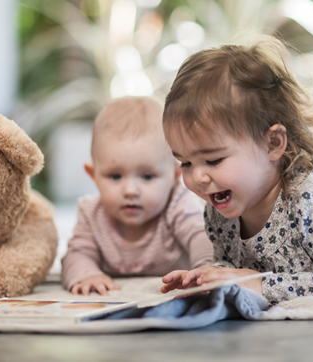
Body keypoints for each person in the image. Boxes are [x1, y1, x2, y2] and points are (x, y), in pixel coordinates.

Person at [160, 35, 313, 304]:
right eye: (186, 163)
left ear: (273, 143)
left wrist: (262, 284)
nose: (198, 177)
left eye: (213, 160)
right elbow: (231, 265)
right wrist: (209, 277)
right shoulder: (219, 212)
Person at [61, 96, 213, 295]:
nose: (130, 190)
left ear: (175, 176)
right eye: (115, 176)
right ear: (94, 175)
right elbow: (77, 253)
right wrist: (87, 275)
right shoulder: (92, 213)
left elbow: (201, 237)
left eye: (147, 176)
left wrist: (205, 271)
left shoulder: (178, 204)